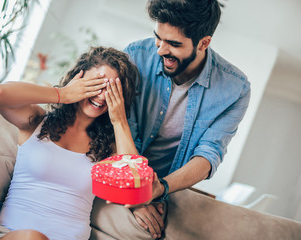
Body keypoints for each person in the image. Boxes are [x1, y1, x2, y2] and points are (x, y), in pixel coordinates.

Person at [90, 0, 251, 239]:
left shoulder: (234, 89)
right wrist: (135, 192)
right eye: (158, 38)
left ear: (203, 43)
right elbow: (111, 125)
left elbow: (208, 155)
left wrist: (157, 189)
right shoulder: (136, 55)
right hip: (113, 169)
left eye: (174, 44)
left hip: (163, 186)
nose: (161, 50)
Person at [0, 46, 140, 240]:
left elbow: (134, 192)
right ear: (78, 79)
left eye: (110, 91)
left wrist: (119, 120)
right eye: (96, 84)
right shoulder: (37, 122)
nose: (101, 96)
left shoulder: (109, 149)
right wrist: (63, 94)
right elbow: (0, 94)